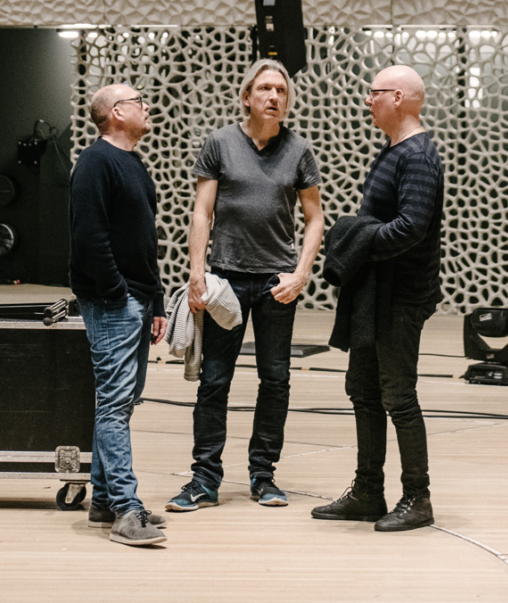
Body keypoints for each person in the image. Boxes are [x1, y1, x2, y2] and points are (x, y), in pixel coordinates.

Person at [166, 59, 324, 514]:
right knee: (215, 380)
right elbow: (202, 211)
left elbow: (315, 219)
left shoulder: (299, 150)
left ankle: (263, 475)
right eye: (266, 89)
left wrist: (301, 273)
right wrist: (197, 271)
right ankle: (204, 480)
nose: (275, 97)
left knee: (275, 380)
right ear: (247, 97)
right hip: (225, 280)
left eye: (282, 91)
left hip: (277, 281)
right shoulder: (219, 143)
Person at [313, 64, 444, 532]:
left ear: (402, 98)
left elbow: (412, 227)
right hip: (376, 295)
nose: (368, 101)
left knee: (398, 396)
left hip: (400, 298)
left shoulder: (418, 157)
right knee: (363, 393)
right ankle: (369, 491)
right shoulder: (391, 151)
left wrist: (359, 238)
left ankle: (417, 497)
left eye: (375, 93)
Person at [67, 82, 169, 547]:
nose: (147, 107)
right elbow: (89, 237)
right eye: (138, 101)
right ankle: (126, 511)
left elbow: (142, 239)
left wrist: (156, 300)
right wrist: (117, 295)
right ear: (114, 113)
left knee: (121, 403)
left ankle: (105, 499)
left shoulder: (132, 162)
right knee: (114, 403)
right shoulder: (95, 162)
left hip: (136, 300)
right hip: (115, 302)